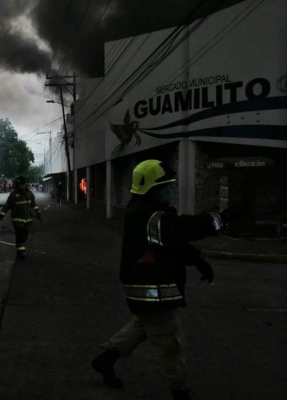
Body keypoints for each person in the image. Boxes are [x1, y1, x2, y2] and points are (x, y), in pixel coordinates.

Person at [91, 159, 244, 400]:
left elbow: (172, 244)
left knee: (142, 326)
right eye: (165, 186)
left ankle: (105, 359)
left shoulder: (149, 212)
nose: (170, 190)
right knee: (171, 343)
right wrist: (220, 218)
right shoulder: (146, 216)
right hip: (153, 292)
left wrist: (197, 260)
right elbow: (182, 229)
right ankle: (180, 391)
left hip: (146, 290)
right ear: (152, 189)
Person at [0, 175, 41, 259]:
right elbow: (8, 205)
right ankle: (21, 252)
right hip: (17, 219)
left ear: (25, 184)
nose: (20, 186)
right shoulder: (14, 194)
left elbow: (34, 204)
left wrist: (37, 212)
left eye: (21, 184)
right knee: (20, 235)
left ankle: (20, 248)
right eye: (18, 184)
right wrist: (2, 213)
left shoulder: (29, 193)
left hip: (27, 219)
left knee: (24, 235)